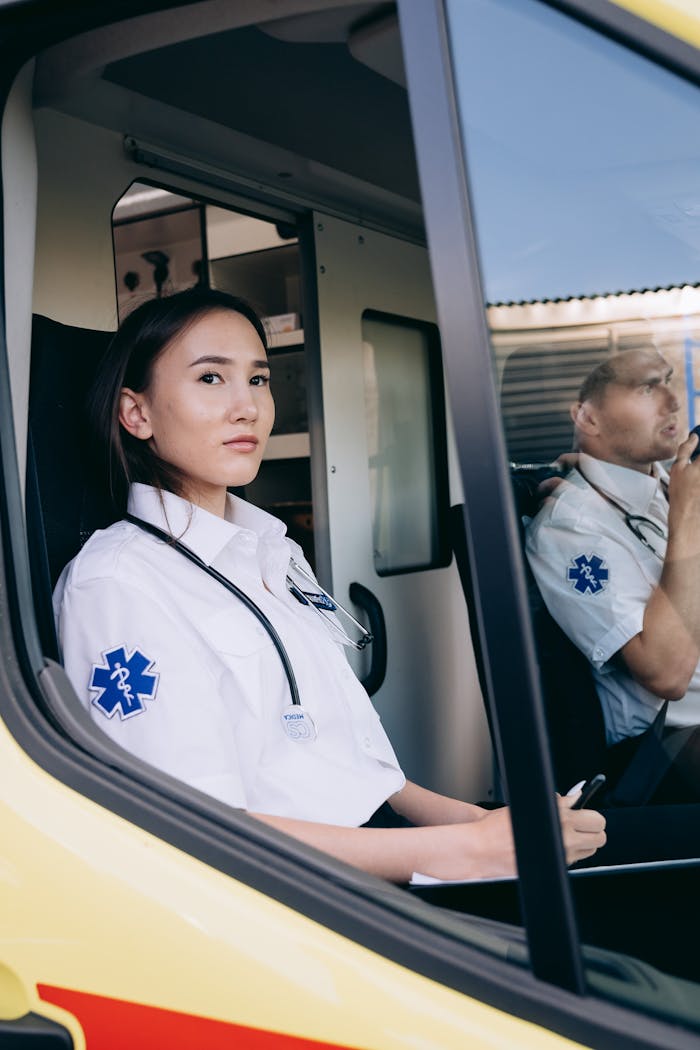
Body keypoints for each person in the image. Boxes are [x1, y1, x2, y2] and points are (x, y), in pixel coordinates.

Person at [53, 287, 605, 882]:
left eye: (259, 380)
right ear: (137, 414)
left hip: (377, 853)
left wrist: (486, 824)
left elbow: (366, 777)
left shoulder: (274, 551)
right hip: (291, 892)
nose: (248, 408)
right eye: (211, 379)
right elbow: (196, 828)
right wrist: (463, 851)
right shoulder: (119, 583)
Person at [526, 347, 700, 800]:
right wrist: (687, 522)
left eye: (667, 380)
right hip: (668, 749)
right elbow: (666, 675)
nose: (672, 401)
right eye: (646, 388)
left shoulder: (668, 485)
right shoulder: (572, 527)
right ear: (587, 418)